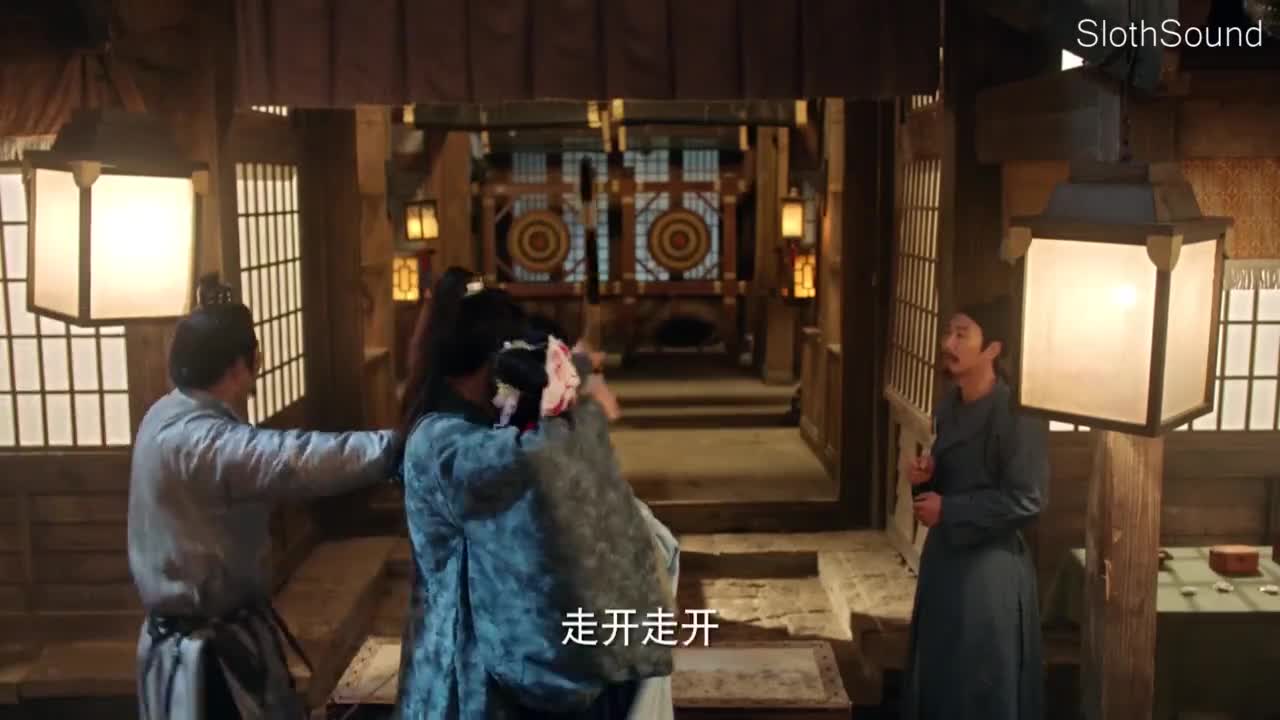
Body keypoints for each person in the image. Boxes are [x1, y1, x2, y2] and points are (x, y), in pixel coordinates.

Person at [395, 284, 673, 719]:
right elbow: (529, 462)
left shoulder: (475, 427)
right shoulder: (441, 439)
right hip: (465, 666)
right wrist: (578, 407)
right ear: (493, 360)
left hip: (487, 652)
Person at [129, 276, 401, 720]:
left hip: (206, 635)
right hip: (205, 658)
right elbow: (293, 459)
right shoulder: (196, 441)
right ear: (242, 365)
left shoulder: (166, 412)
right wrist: (396, 447)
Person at [901, 296, 1049, 720]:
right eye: (949, 332)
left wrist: (950, 510)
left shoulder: (1017, 414)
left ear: (993, 349)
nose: (948, 343)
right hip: (944, 562)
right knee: (938, 675)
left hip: (989, 571)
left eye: (961, 335)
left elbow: (1028, 498)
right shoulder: (950, 404)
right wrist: (925, 477)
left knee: (980, 682)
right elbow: (950, 482)